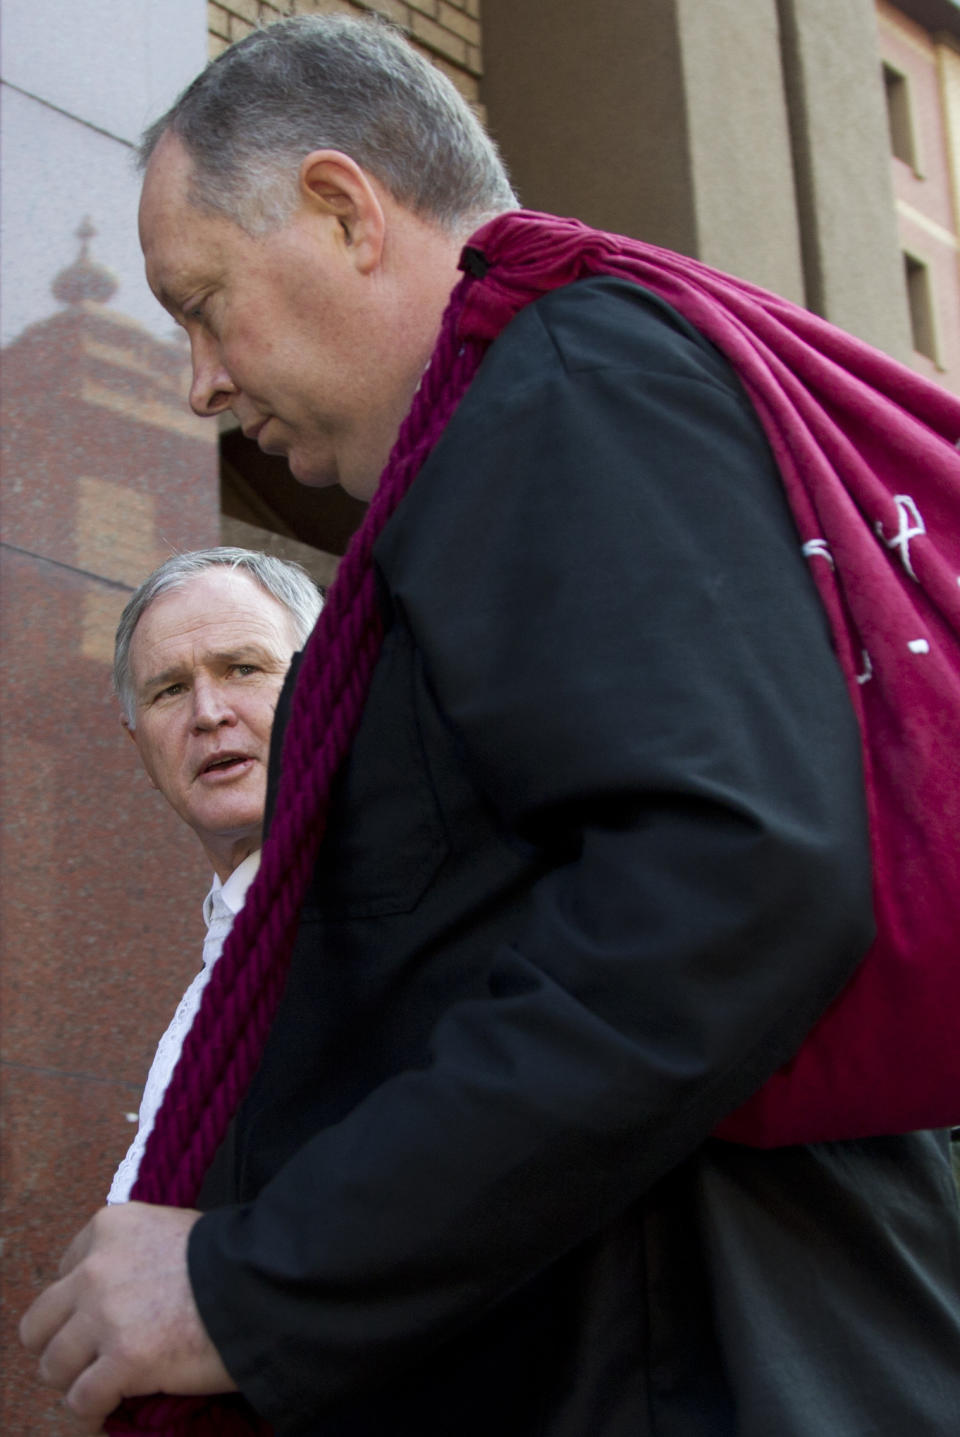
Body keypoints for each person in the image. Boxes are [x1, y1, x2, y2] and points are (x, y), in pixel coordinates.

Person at [19, 16, 960, 1437]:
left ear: (342, 211)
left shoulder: (562, 382)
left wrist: (256, 1279)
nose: (201, 381)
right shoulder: (545, 398)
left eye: (205, 302)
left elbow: (725, 888)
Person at [108, 548, 322, 1204]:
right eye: (169, 688)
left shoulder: (405, 917)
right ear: (137, 741)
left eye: (243, 667)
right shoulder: (210, 980)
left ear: (325, 680)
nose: (207, 711)